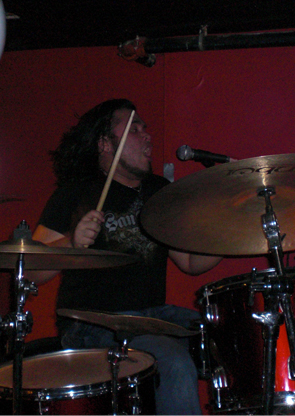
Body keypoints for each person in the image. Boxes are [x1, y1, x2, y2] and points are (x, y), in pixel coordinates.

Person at [32, 98, 222, 415]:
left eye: (145, 128)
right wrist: (71, 242)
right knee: (173, 361)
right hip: (91, 324)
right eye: (134, 129)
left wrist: (231, 230)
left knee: (227, 337)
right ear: (105, 144)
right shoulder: (75, 193)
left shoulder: (158, 191)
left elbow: (190, 262)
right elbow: (32, 270)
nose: (147, 135)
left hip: (152, 318)